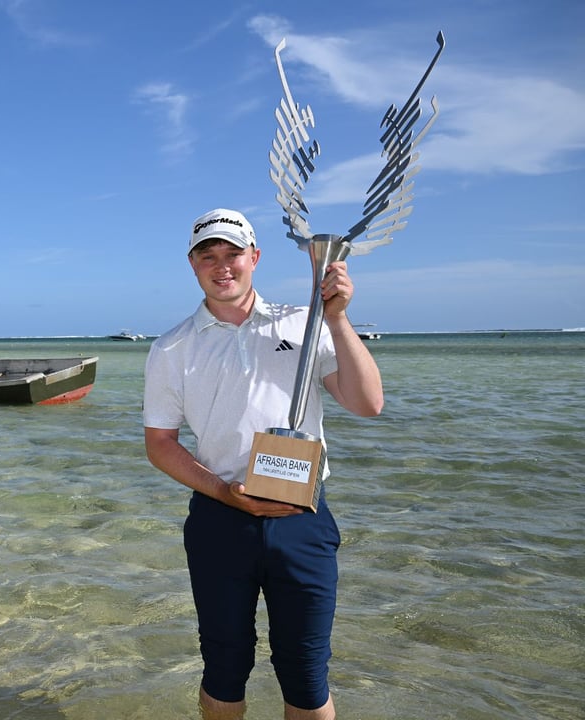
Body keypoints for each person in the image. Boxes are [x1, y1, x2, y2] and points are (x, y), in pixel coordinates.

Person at [142, 208, 383, 719]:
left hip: (303, 519)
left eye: (234, 254)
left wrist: (337, 318)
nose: (222, 266)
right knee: (224, 669)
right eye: (209, 256)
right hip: (219, 517)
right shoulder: (171, 348)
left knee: (306, 672)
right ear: (192, 265)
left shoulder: (303, 322)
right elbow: (160, 443)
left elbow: (367, 404)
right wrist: (225, 492)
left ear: (255, 258)